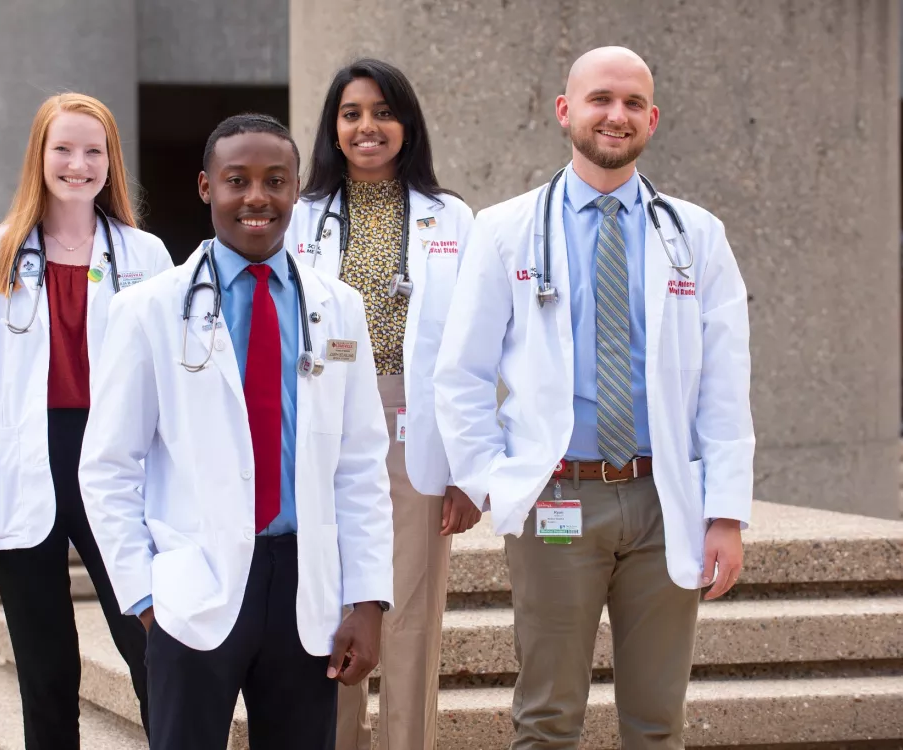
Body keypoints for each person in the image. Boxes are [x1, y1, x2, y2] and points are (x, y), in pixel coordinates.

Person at [433, 47, 754, 749]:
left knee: (657, 722)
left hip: (663, 500)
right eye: (600, 99)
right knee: (547, 719)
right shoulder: (506, 229)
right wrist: (493, 479)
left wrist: (726, 514)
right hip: (557, 497)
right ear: (565, 111)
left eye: (633, 103)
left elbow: (726, 384)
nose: (616, 115)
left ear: (652, 119)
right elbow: (461, 372)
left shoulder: (696, 236)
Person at [78, 113, 394, 750]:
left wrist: (367, 600)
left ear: (296, 189)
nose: (257, 197)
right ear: (206, 187)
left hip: (304, 584)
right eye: (237, 180)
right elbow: (108, 466)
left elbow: (360, 463)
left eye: (275, 181)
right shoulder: (147, 310)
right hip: (193, 583)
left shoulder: (337, 307)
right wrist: (144, 598)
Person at [0, 92, 173, 749]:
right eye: (63, 149)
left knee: (155, 650)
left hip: (118, 466)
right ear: (38, 158)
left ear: (111, 162)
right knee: (46, 671)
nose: (78, 164)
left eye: (94, 151)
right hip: (22, 467)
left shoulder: (147, 256)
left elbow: (174, 384)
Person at [285, 58, 476, 750]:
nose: (368, 127)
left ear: (408, 124)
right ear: (333, 128)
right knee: (332, 607)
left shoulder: (451, 216)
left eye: (383, 112)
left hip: (412, 423)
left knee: (412, 615)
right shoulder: (300, 217)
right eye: (352, 114)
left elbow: (476, 345)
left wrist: (468, 470)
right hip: (325, 421)